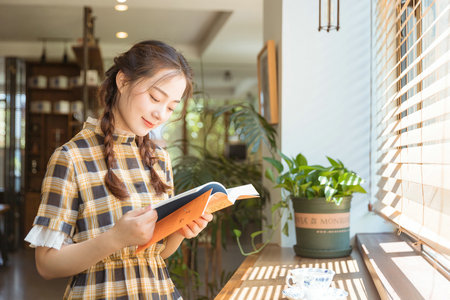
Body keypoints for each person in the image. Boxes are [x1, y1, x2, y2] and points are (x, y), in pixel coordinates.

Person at [24, 40, 213, 299]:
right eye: (155, 97)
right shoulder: (71, 157)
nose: (161, 114)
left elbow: (156, 255)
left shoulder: (159, 159)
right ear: (123, 82)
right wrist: (114, 238)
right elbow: (46, 264)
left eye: (171, 107)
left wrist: (180, 232)